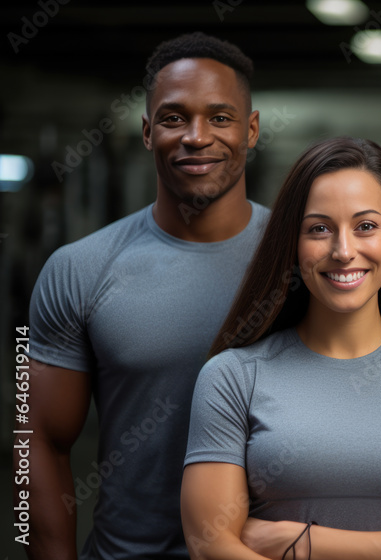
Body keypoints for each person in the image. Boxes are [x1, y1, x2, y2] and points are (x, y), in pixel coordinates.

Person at [180, 137, 381, 560]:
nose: (344, 251)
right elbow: (210, 546)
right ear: (293, 242)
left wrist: (305, 543)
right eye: (319, 229)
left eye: (365, 226)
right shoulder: (232, 377)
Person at [22, 32, 270, 559]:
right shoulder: (78, 269)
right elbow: (37, 439)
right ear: (146, 130)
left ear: (251, 131)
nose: (197, 137)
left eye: (220, 118)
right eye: (174, 118)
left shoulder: (303, 261)